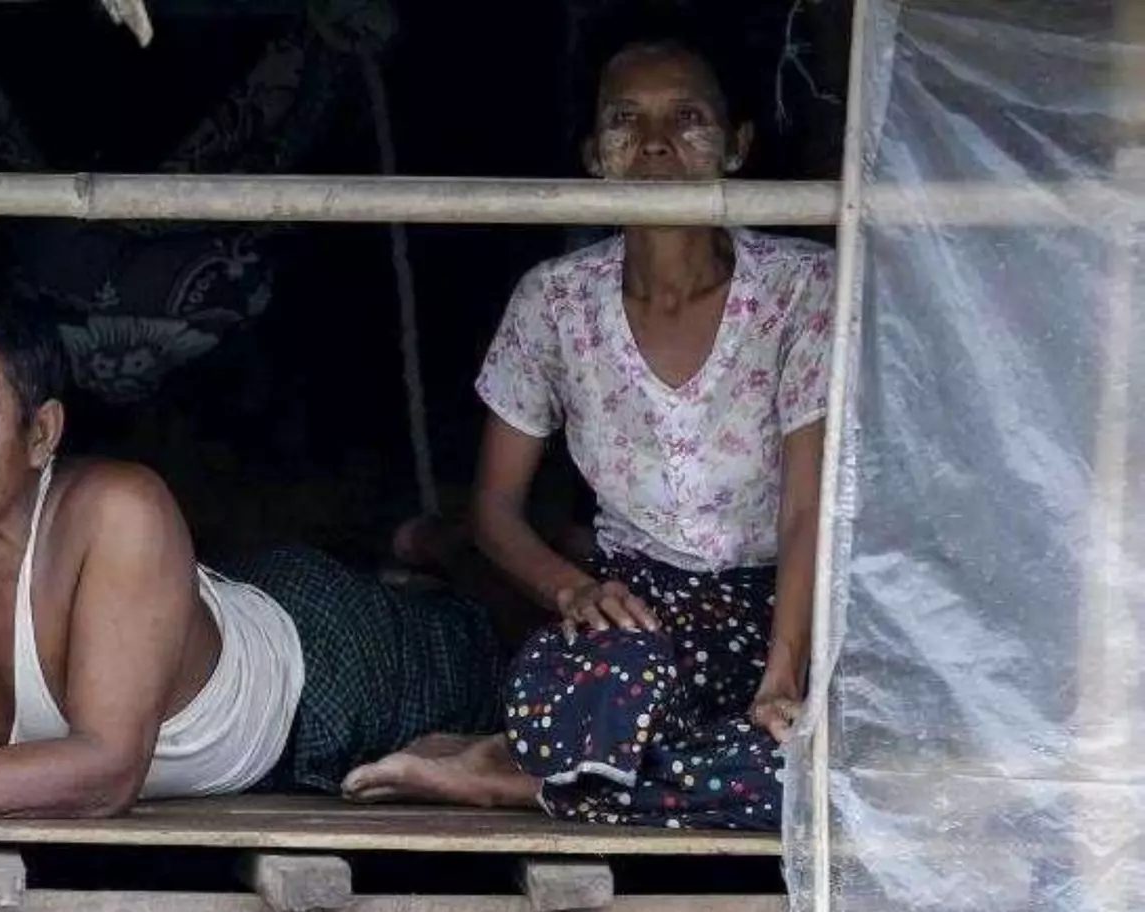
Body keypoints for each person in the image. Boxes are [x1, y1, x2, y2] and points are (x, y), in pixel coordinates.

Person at [0, 296, 501, 824]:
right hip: (197, 618)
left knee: (491, 647)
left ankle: (443, 546)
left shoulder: (120, 507)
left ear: (42, 434)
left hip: (324, 667)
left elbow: (107, 774)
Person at [342, 27, 833, 831]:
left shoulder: (801, 288)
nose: (654, 145)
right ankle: (588, 766)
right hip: (633, 611)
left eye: (687, 119)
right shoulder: (556, 301)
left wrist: (783, 679)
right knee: (585, 686)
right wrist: (575, 590)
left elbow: (807, 509)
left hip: (778, 609)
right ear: (592, 155)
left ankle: (511, 778)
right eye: (624, 122)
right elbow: (494, 509)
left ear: (737, 146)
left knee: (804, 773)